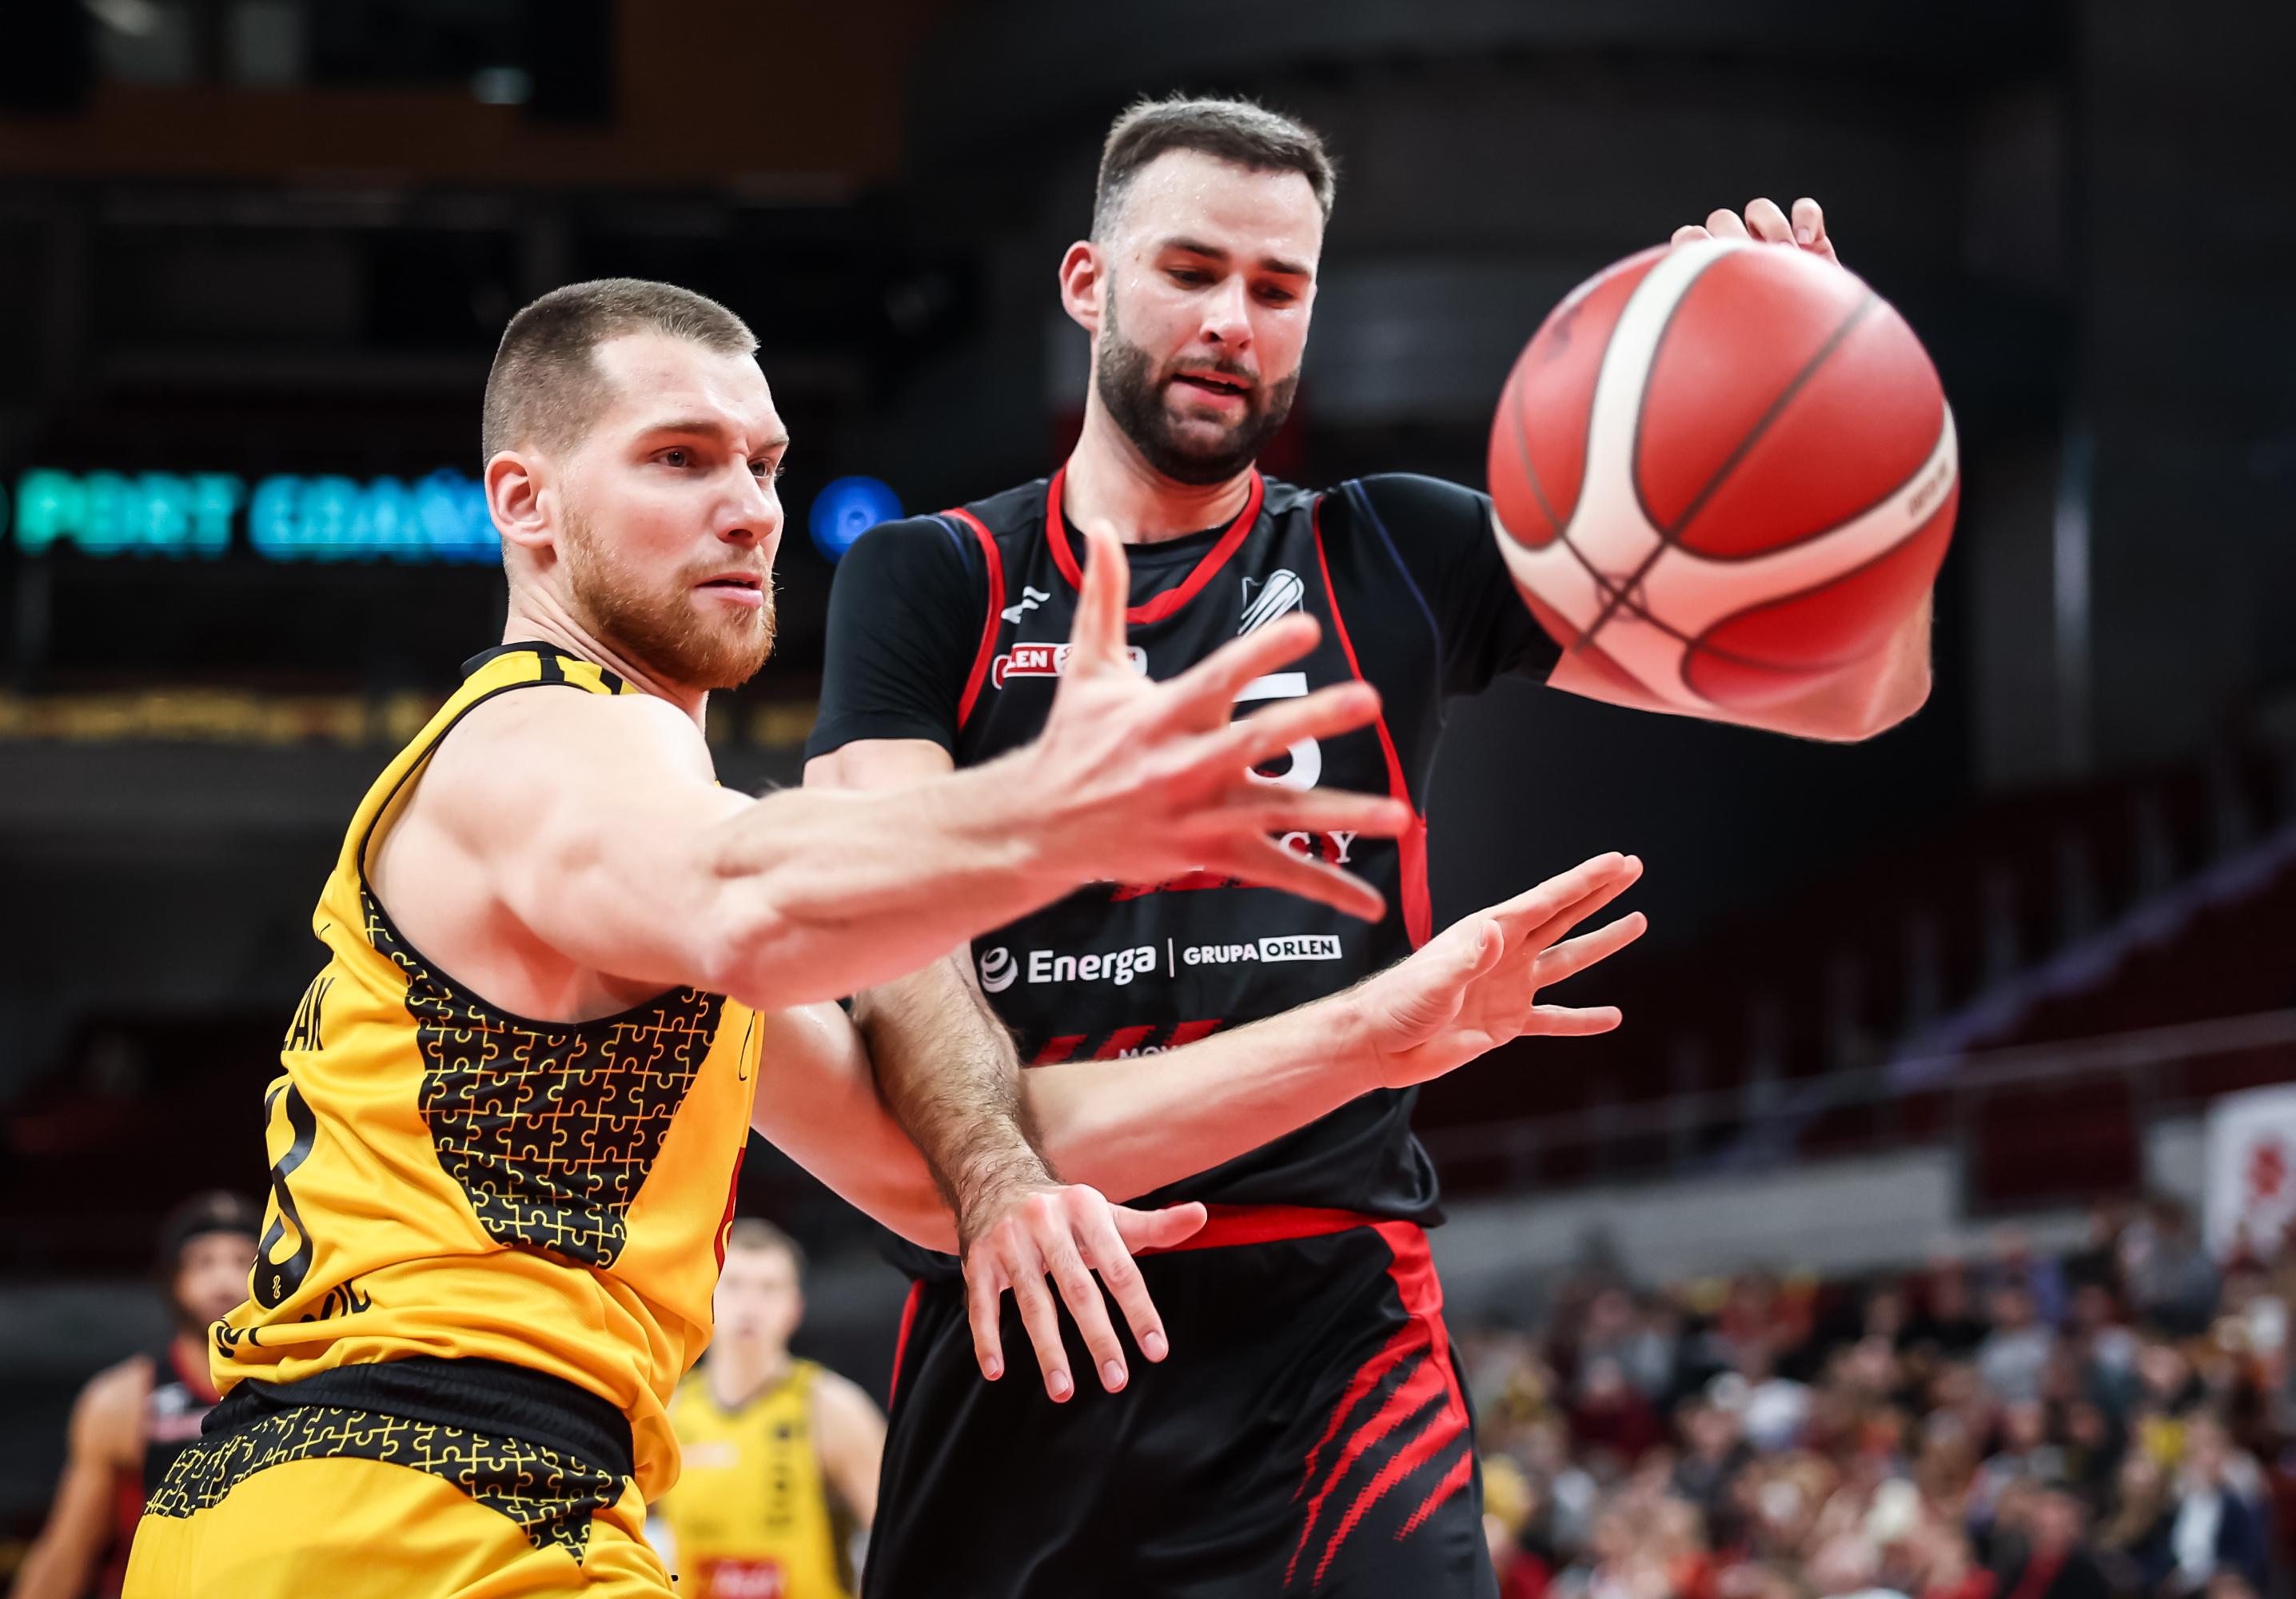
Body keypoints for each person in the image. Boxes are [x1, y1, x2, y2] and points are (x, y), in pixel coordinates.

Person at [126, 277, 1645, 1599]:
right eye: (677, 458)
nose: (748, 507)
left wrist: (1376, 1035)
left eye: (764, 464)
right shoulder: (548, 736)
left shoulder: (643, 865)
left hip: (326, 1513)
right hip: (422, 1511)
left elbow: (926, 1176)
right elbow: (749, 896)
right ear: (524, 502)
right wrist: (1051, 810)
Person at [805, 94, 1930, 1596]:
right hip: (1024, 1301)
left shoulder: (1396, 545)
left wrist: (1855, 422)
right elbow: (890, 934)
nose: (1233, 320)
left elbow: (1854, 696)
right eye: (1190, 272)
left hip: (1332, 1332)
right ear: (1088, 283)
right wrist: (997, 1177)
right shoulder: (931, 575)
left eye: (1278, 288)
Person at [9, 1194, 250, 1599]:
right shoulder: (122, 1400)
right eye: (203, 1262)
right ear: (173, 1279)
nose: (223, 1282)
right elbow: (67, 1553)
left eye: (243, 1261)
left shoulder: (299, 1384)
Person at [655, 1220, 882, 1599]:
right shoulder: (667, 1412)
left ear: (795, 1308)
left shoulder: (834, 1409)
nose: (750, 1306)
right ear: (705, 1298)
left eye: (769, 1289)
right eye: (734, 1285)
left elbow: (899, 1540)